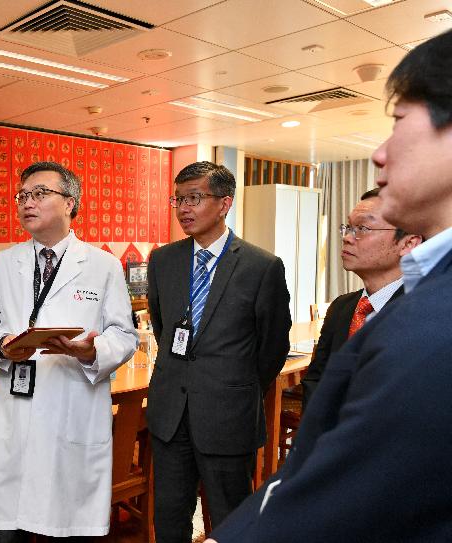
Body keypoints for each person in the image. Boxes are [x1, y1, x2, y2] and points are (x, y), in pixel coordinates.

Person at [207, 28, 452, 542]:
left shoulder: (435, 322)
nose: (380, 154)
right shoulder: (418, 297)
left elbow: (345, 498)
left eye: (399, 123)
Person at [0, 161, 138, 541]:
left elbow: (125, 336)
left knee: (67, 528)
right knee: (5, 532)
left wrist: (89, 352)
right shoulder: (1, 264)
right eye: (23, 195)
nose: (27, 202)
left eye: (40, 194)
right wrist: (2, 347)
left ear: (69, 203)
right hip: (14, 409)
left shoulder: (103, 265)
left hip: (72, 410)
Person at [146, 161, 291, 541]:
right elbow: (163, 328)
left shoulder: (262, 266)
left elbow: (273, 345)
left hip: (228, 415)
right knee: (170, 515)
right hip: (170, 414)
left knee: (229, 519)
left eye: (195, 198)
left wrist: (235, 387)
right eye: (178, 199)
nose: (184, 208)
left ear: (225, 203)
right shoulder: (163, 260)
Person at [301, 188, 420, 409]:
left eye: (363, 228)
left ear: (408, 243)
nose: (347, 238)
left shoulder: (423, 312)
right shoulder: (341, 307)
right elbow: (316, 378)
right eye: (347, 227)